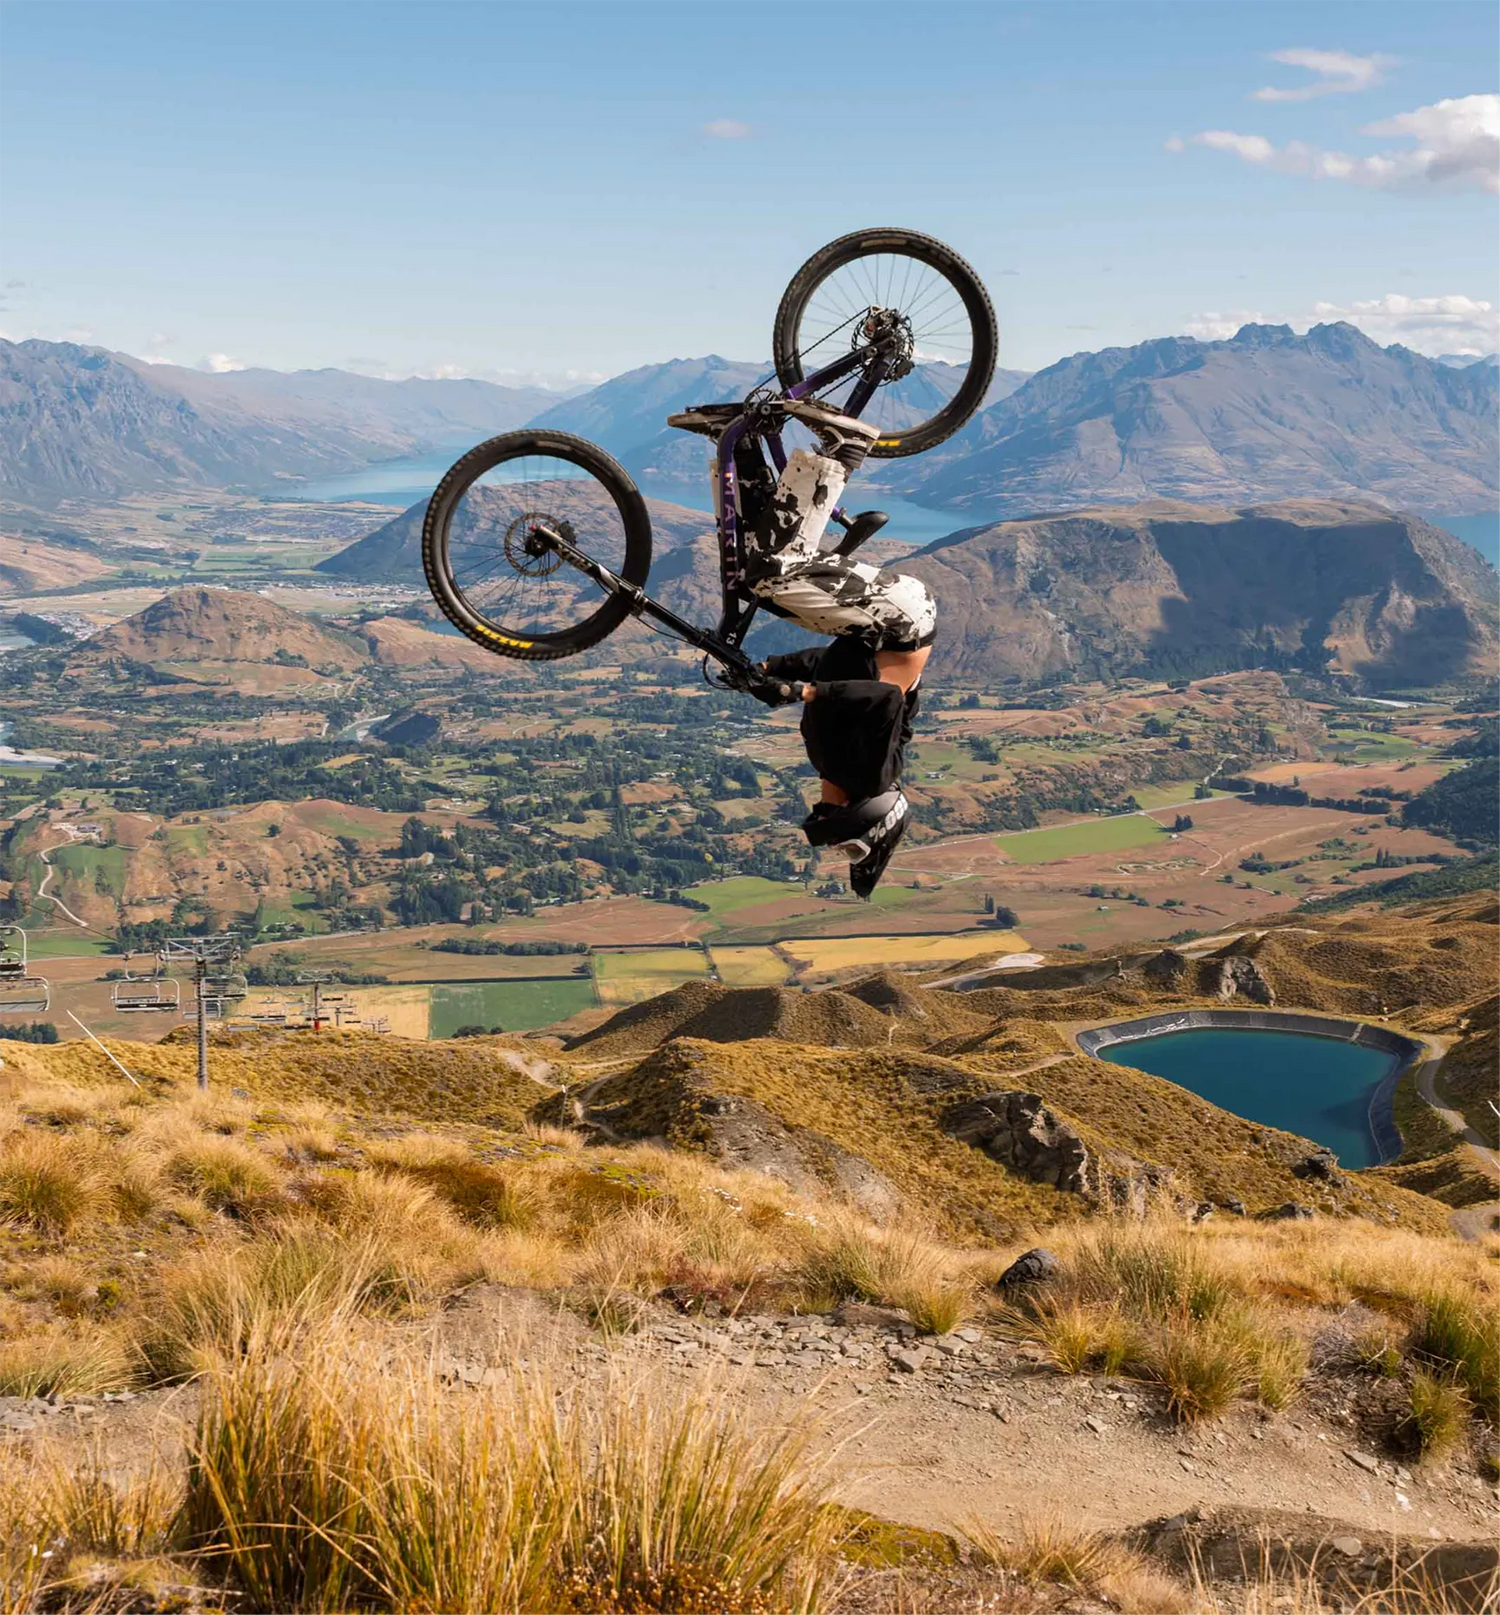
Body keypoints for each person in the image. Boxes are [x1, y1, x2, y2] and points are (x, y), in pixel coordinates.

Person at [734, 399, 936, 897]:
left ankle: (741, 445)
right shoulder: (873, 773)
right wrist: (805, 694)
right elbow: (885, 696)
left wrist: (772, 669)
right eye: (827, 812)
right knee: (773, 576)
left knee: (750, 577)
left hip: (868, 633)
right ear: (856, 810)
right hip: (901, 621)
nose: (818, 805)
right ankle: (845, 451)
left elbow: (834, 667)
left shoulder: (831, 760)